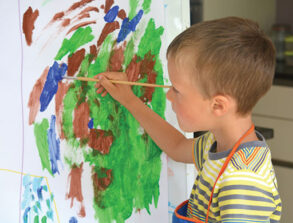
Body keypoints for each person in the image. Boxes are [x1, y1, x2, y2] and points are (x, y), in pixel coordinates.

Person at [95, 17, 282, 223]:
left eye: (177, 90)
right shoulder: (218, 144)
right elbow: (177, 146)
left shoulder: (242, 181)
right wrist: (129, 100)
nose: (168, 96)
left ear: (218, 105)